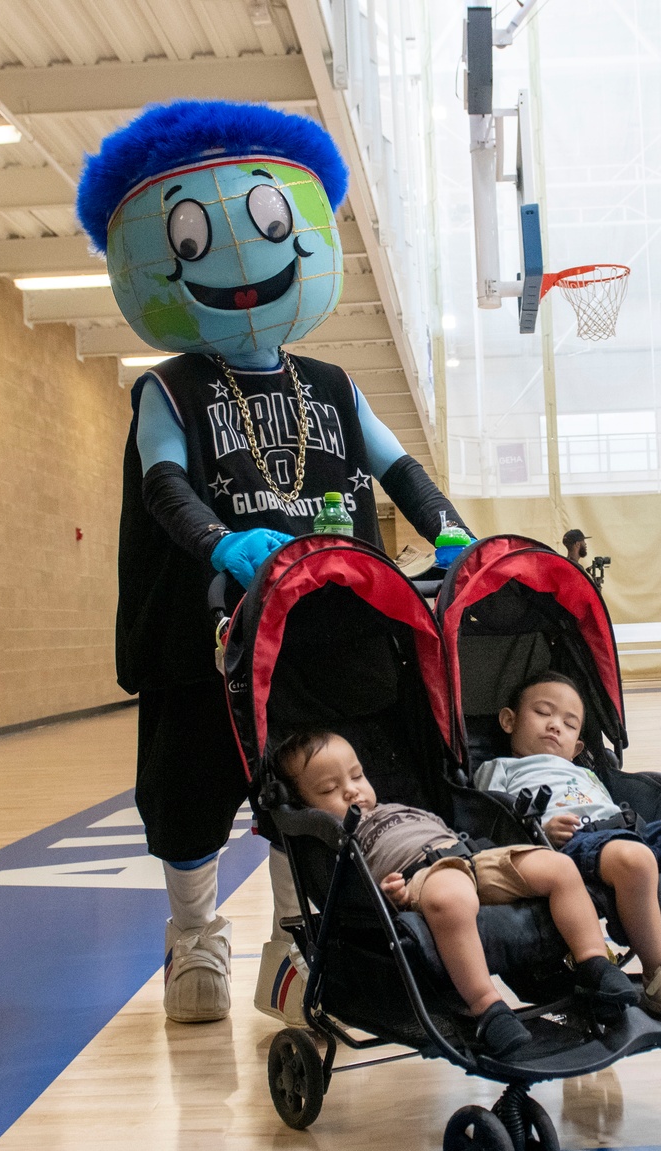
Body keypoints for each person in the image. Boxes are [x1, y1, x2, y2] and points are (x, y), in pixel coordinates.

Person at [76, 101, 472, 1026]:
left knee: (322, 782)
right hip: (209, 629)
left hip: (326, 623)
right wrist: (222, 542)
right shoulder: (168, 387)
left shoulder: (331, 385)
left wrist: (450, 530)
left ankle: (305, 934)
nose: (241, 267)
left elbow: (399, 467)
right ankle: (194, 934)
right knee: (191, 789)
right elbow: (163, 484)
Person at [275, 730, 637, 1057]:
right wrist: (390, 893)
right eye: (329, 790)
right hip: (424, 875)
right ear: (305, 808)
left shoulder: (393, 808)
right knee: (452, 898)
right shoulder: (336, 841)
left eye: (356, 776)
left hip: (470, 856)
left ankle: (593, 963)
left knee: (557, 867)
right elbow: (355, 889)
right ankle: (487, 1007)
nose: (352, 790)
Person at [474, 674, 661, 1023]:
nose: (554, 726)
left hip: (629, 830)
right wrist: (539, 830)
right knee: (634, 858)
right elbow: (490, 819)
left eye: (569, 723)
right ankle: (657, 970)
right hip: (572, 842)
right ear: (508, 720)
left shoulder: (587, 772)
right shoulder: (498, 768)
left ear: (578, 746)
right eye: (543, 712)